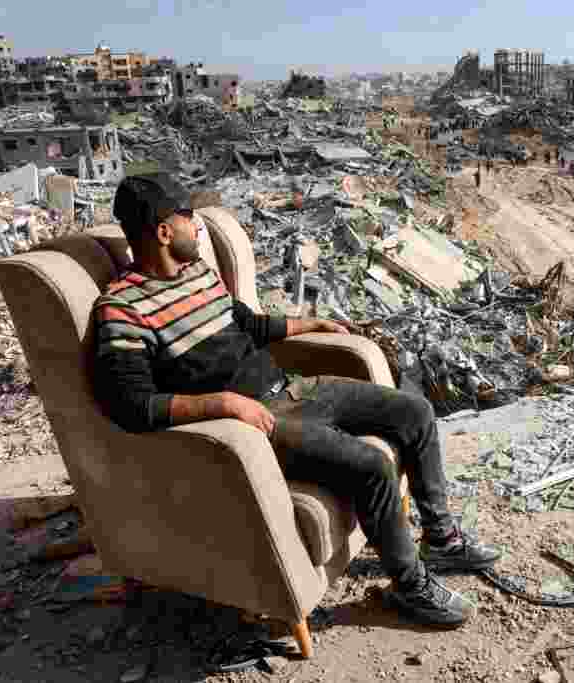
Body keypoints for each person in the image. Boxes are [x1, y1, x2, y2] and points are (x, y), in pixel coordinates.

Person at [93, 174, 499, 628]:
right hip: (258, 423)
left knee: (415, 412)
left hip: (293, 388)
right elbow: (130, 405)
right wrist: (222, 404)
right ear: (164, 231)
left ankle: (441, 540)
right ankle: (410, 587)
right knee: (371, 465)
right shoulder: (122, 309)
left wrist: (312, 325)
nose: (198, 227)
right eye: (188, 218)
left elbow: (246, 323)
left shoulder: (197, 273)